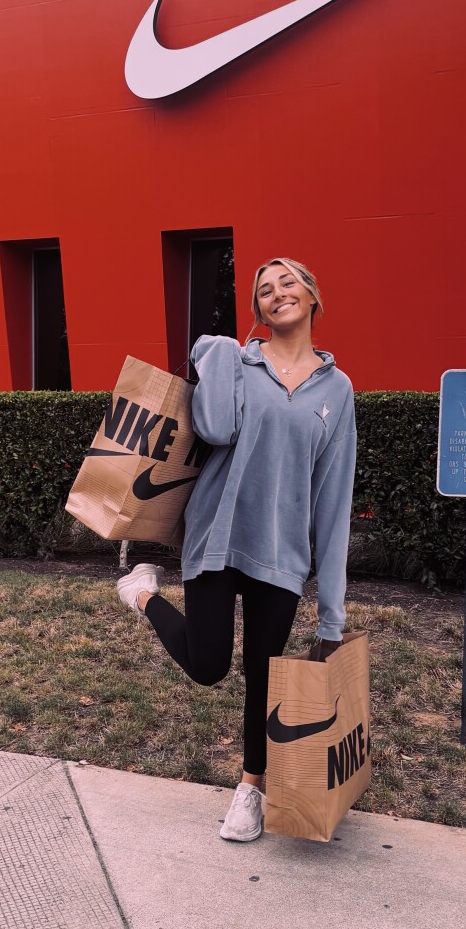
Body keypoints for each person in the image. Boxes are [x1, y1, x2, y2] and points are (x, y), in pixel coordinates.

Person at [117, 257, 357, 843]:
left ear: (312, 295)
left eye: (288, 283)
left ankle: (250, 789)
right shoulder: (239, 363)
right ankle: (143, 594)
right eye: (265, 290)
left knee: (262, 679)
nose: (278, 293)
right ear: (258, 311)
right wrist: (218, 352)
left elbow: (333, 500)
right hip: (218, 535)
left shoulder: (338, 390)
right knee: (208, 665)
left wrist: (332, 616)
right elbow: (216, 428)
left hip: (282, 553)